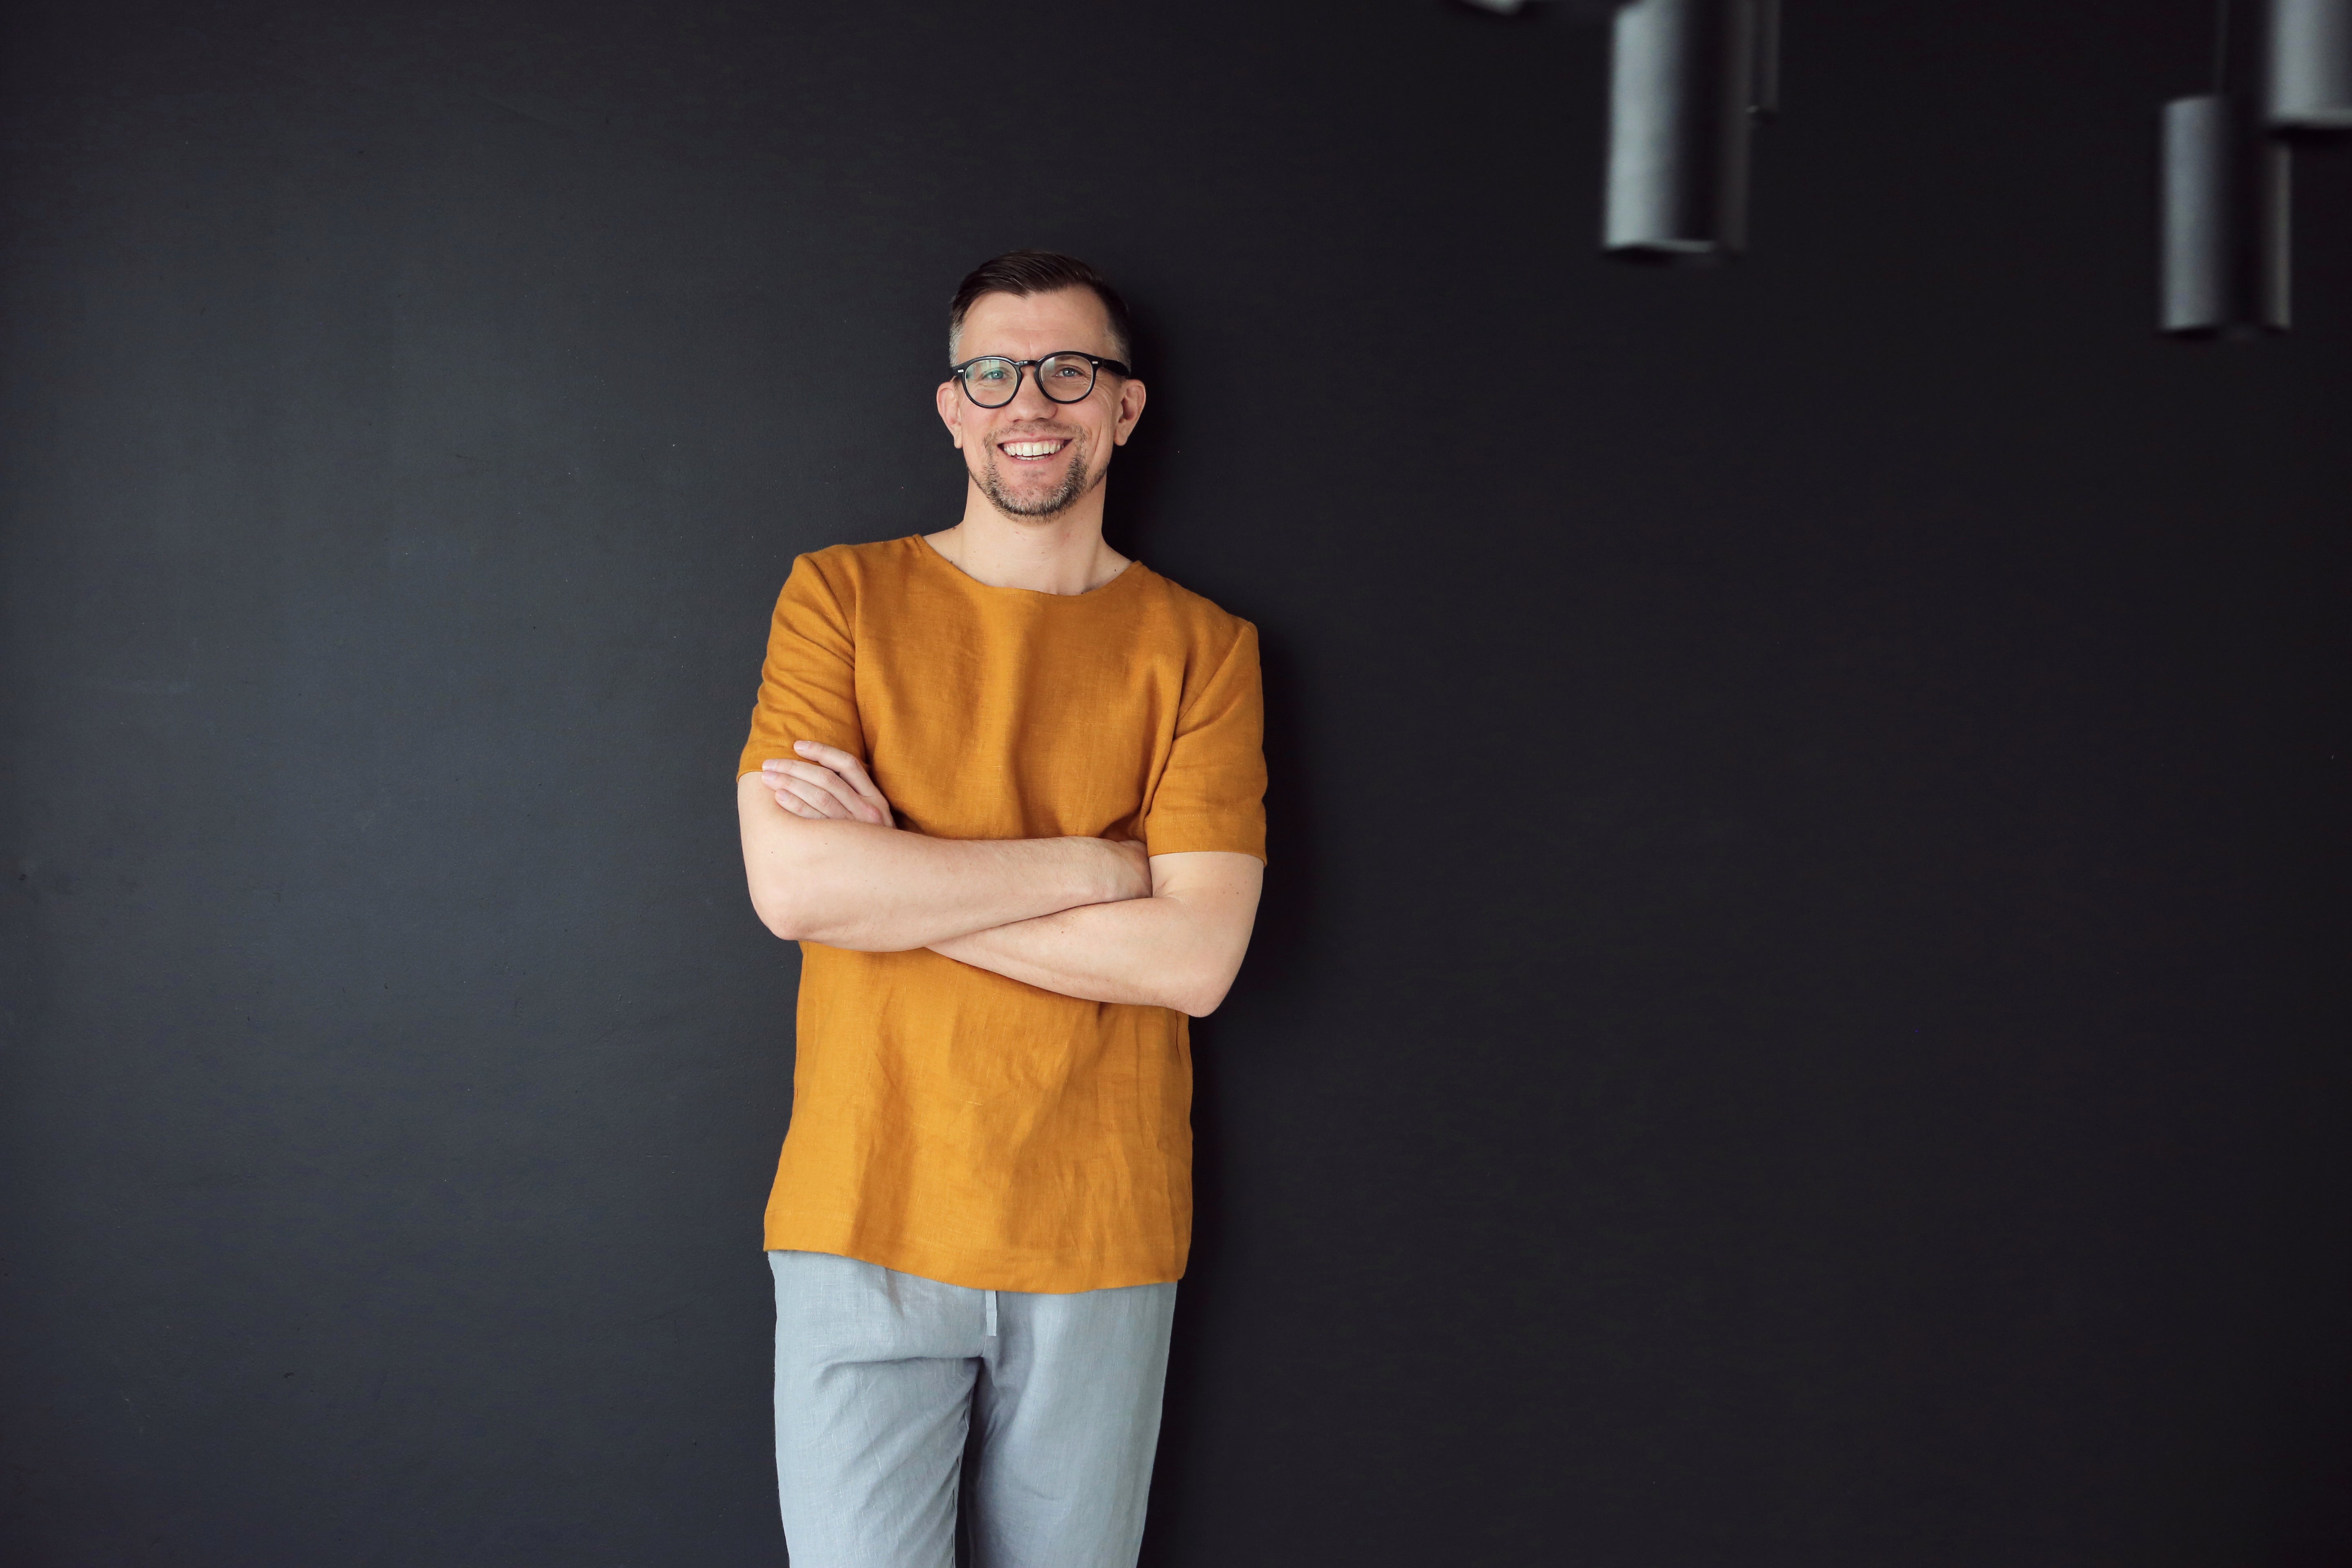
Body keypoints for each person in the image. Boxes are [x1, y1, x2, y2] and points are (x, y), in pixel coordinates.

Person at [733, 250, 1268, 1568]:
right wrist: (1097, 866)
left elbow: (1196, 961)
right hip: (862, 1206)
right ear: (951, 407)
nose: (1030, 401)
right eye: (992, 372)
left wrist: (898, 872)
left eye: (1069, 371)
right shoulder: (838, 598)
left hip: (1102, 1222)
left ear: (1124, 408)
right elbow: (795, 886)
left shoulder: (1206, 650)